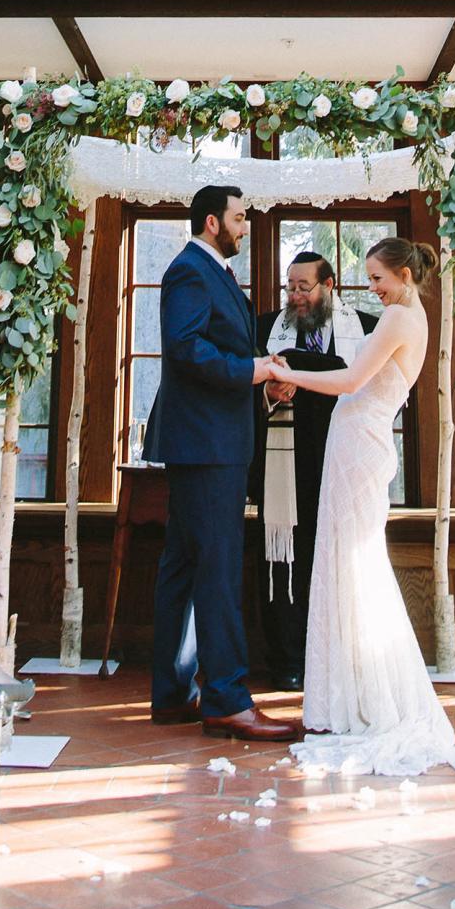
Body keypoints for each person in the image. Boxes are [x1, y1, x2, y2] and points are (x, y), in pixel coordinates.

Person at [267, 236, 455, 777]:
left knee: (353, 565)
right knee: (351, 564)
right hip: (359, 442)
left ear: (405, 275)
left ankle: (367, 696)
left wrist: (288, 375)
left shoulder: (398, 321)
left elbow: (351, 380)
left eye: (378, 278)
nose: (371, 288)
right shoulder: (409, 317)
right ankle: (353, 694)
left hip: (358, 444)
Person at [147, 184, 297, 741]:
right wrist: (253, 371)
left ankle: (172, 693)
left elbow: (213, 353)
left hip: (206, 438)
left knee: (184, 567)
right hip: (207, 446)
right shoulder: (191, 270)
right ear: (213, 222)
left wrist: (260, 387)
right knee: (216, 569)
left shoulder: (213, 273)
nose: (244, 226)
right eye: (238, 217)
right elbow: (185, 348)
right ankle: (228, 701)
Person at [251, 252, 375, 689]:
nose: (295, 296)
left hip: (342, 460)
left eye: (304, 287)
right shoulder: (265, 328)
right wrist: (269, 389)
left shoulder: (365, 328)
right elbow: (243, 389)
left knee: (340, 555)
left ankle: (340, 656)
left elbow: (373, 389)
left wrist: (300, 375)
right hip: (283, 464)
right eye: (290, 287)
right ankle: (287, 658)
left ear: (329, 285)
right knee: (285, 558)